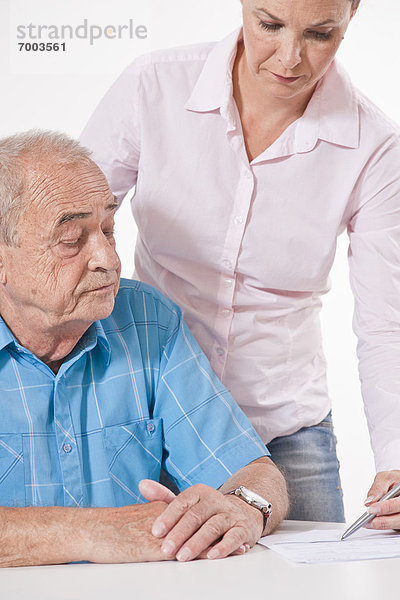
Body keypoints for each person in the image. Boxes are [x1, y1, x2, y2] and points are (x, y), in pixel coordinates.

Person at [80, 0, 400, 525]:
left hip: (285, 433)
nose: (290, 58)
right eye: (269, 25)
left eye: (320, 33)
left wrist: (395, 458)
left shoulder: (376, 147)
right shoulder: (154, 87)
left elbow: (387, 323)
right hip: (149, 421)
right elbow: (64, 226)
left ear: (353, 12)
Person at [0, 130, 288, 568]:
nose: (109, 259)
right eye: (72, 240)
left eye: (109, 230)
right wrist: (91, 534)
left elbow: (254, 472)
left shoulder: (148, 320)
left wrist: (241, 509)